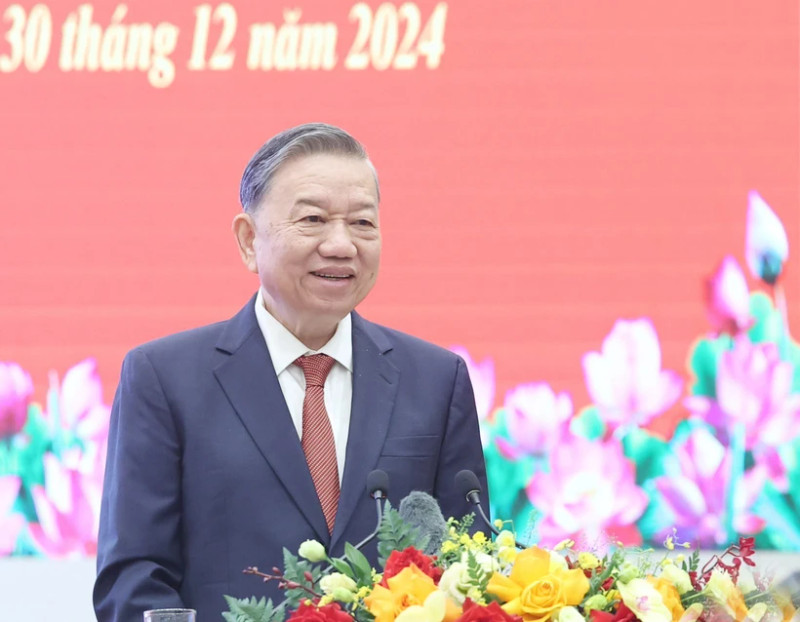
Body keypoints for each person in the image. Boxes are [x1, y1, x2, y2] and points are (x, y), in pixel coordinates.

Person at [93, 123, 488, 621]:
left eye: (363, 223)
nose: (342, 244)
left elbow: (470, 566)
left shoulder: (436, 380)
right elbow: (134, 579)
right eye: (313, 220)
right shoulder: (164, 378)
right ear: (248, 240)